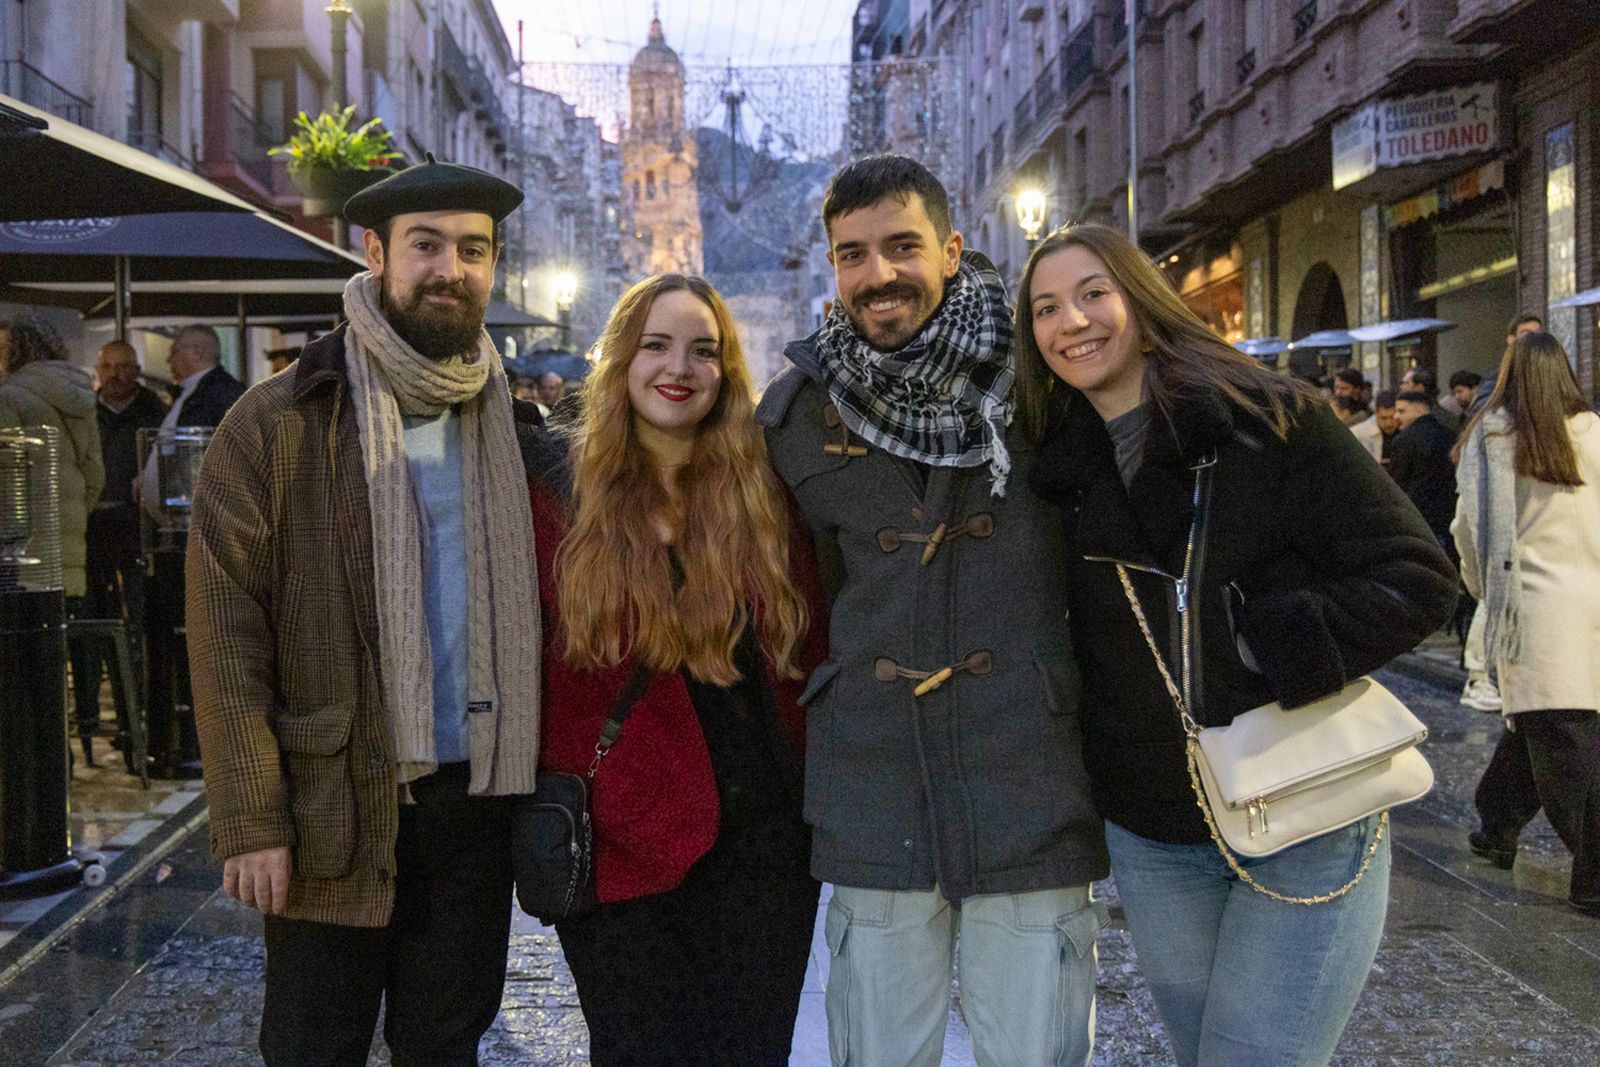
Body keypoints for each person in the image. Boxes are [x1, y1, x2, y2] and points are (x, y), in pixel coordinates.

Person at [1016, 222, 1457, 1066]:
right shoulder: (1055, 470)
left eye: (1092, 293)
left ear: (1139, 300)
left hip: (1304, 803)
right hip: (1156, 832)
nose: (1071, 320)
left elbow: (1419, 577)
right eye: (1045, 308)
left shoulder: (1268, 417)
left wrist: (1267, 644)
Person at [186, 155, 543, 1065]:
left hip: (475, 803)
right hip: (331, 804)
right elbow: (227, 638)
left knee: (446, 1044)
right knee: (313, 1045)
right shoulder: (278, 422)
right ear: (375, 252)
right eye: (426, 245)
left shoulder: (514, 426)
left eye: (474, 248)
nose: (450, 268)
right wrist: (252, 821)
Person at [757, 155, 1109, 1067]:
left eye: (902, 246)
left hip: (1027, 779)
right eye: (853, 254)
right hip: (875, 790)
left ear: (952, 249)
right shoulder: (795, 412)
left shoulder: (1043, 383)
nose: (879, 275)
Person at [531, 273, 827, 1064]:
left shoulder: (765, 489)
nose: (680, 366)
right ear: (622, 360)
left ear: (727, 370)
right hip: (620, 841)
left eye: (704, 349)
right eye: (657, 345)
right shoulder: (558, 492)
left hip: (763, 850)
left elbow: (815, 642)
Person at [1452, 330, 1600, 918]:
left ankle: (1593, 879)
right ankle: (1496, 823)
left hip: (1533, 611)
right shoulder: (1595, 432)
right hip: (1593, 599)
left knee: (1562, 746)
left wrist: (1481, 590)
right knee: (1542, 731)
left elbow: (1469, 530)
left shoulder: (1493, 439)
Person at [1, 316, 106, 760]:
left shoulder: (10, 397)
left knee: (17, 678)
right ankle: (55, 762)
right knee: (47, 671)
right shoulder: (80, 398)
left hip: (18, 563)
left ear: (17, 351)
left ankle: (30, 769)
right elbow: (95, 478)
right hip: (68, 563)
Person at [75, 340, 167, 769]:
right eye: (107, 365)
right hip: (88, 537)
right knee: (86, 636)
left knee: (134, 637)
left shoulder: (156, 416)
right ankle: (90, 727)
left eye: (123, 366)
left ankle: (136, 732)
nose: (114, 374)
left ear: (137, 370)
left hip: (135, 538)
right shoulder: (83, 413)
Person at [1458, 313, 1546, 712]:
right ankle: (1478, 676)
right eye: (1525, 336)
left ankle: (1483, 676)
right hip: (1504, 523)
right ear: (1510, 339)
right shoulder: (1496, 399)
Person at [1389, 387, 1459, 560]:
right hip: (1447, 515)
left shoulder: (1404, 440)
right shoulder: (1449, 435)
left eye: (1401, 411)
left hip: (1416, 516)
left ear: (1420, 410)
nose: (1396, 417)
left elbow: (1397, 483)